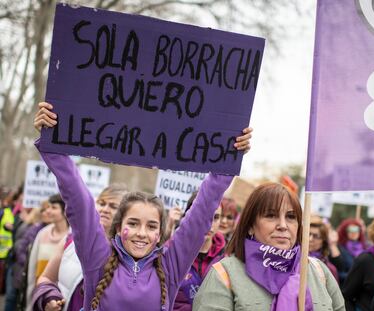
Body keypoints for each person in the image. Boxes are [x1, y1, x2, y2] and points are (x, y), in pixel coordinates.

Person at [33, 101, 252, 311]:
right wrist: (51, 143)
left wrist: (229, 155)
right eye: (134, 223)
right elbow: (78, 200)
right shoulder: (98, 258)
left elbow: (204, 208)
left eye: (151, 226)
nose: (141, 233)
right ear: (119, 228)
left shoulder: (170, 266)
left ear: (159, 233)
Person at [193, 183, 345, 311]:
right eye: (271, 216)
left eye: (291, 217)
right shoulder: (224, 274)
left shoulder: (319, 271)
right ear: (251, 225)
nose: (283, 226)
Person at [32, 184, 128, 311]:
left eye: (113, 206)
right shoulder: (70, 240)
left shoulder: (127, 253)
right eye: (101, 203)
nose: (105, 209)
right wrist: (50, 297)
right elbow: (46, 277)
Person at [173, 192, 226, 310]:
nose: (210, 224)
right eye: (204, 215)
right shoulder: (171, 254)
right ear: (188, 215)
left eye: (216, 217)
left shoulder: (228, 258)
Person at [26, 194, 70, 311]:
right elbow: (32, 268)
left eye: (54, 208)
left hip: (61, 300)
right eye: (48, 207)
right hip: (41, 294)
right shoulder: (42, 234)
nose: (48, 211)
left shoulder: (72, 238)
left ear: (65, 211)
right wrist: (31, 297)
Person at [336, 218, 366, 286]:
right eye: (350, 230)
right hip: (345, 286)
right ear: (344, 232)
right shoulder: (339, 248)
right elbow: (336, 272)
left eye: (356, 230)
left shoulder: (365, 248)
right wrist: (356, 277)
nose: (354, 233)